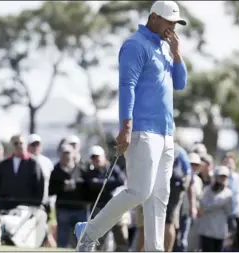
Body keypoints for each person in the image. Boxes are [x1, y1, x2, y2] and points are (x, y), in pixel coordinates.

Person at [74, 1, 188, 251]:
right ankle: (90, 231)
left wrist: (177, 53)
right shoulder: (135, 45)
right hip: (142, 130)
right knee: (139, 192)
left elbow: (180, 84)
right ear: (154, 17)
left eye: (175, 24)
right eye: (169, 21)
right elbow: (127, 86)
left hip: (166, 133)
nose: (172, 27)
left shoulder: (166, 49)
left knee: (160, 196)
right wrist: (125, 126)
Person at [83, 145, 127, 251]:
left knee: (121, 239)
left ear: (104, 156)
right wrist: (110, 182)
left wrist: (101, 183)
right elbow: (92, 185)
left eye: (98, 156)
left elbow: (121, 181)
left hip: (116, 208)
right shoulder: (90, 173)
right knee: (100, 240)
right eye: (93, 157)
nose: (96, 159)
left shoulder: (113, 168)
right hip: (99, 210)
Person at [49, 144, 88, 248]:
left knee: (82, 241)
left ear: (74, 154)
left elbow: (88, 187)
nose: (66, 156)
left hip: (80, 209)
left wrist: (76, 185)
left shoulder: (81, 169)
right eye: (64, 153)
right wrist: (62, 187)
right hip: (63, 210)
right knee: (62, 242)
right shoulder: (55, 171)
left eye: (68, 153)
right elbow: (50, 190)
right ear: (60, 155)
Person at [0, 134, 44, 211]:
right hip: (7, 208)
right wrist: (1, 204)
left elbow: (39, 186)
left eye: (21, 143)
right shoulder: (4, 165)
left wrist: (35, 206)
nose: (19, 146)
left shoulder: (33, 163)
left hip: (27, 208)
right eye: (16, 143)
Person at [197, 166, 233, 252]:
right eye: (220, 177)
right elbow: (204, 206)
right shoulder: (207, 190)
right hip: (206, 230)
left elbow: (229, 211)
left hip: (220, 232)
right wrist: (220, 203)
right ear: (216, 177)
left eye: (224, 177)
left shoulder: (229, 193)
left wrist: (217, 204)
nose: (222, 179)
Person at [164, 143, 191, 252]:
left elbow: (188, 173)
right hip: (171, 189)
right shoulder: (180, 150)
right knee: (167, 222)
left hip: (172, 189)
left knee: (168, 223)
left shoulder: (179, 151)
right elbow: (188, 173)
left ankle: (167, 250)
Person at [222, 152, 239, 251]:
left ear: (235, 165)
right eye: (226, 162)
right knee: (224, 244)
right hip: (223, 216)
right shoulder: (219, 178)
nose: (228, 165)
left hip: (237, 215)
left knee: (236, 245)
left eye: (230, 163)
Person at [27, 134, 54, 206]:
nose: (36, 147)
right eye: (33, 145)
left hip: (45, 202)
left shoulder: (47, 162)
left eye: (38, 144)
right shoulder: (24, 162)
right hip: (27, 201)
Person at [185, 153, 204, 252]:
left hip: (193, 216)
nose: (194, 166)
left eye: (196, 164)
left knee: (190, 243)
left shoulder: (199, 181)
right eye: (192, 164)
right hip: (182, 213)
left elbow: (200, 198)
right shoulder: (182, 176)